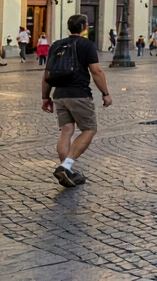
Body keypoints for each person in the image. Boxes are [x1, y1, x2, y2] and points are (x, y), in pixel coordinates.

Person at [40, 14, 109, 187]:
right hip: (79, 94)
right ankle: (66, 165)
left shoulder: (56, 45)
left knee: (66, 131)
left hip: (59, 95)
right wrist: (105, 93)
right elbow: (97, 72)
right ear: (85, 27)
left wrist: (45, 97)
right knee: (89, 129)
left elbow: (47, 73)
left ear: (68, 27)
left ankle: (67, 172)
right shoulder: (87, 45)